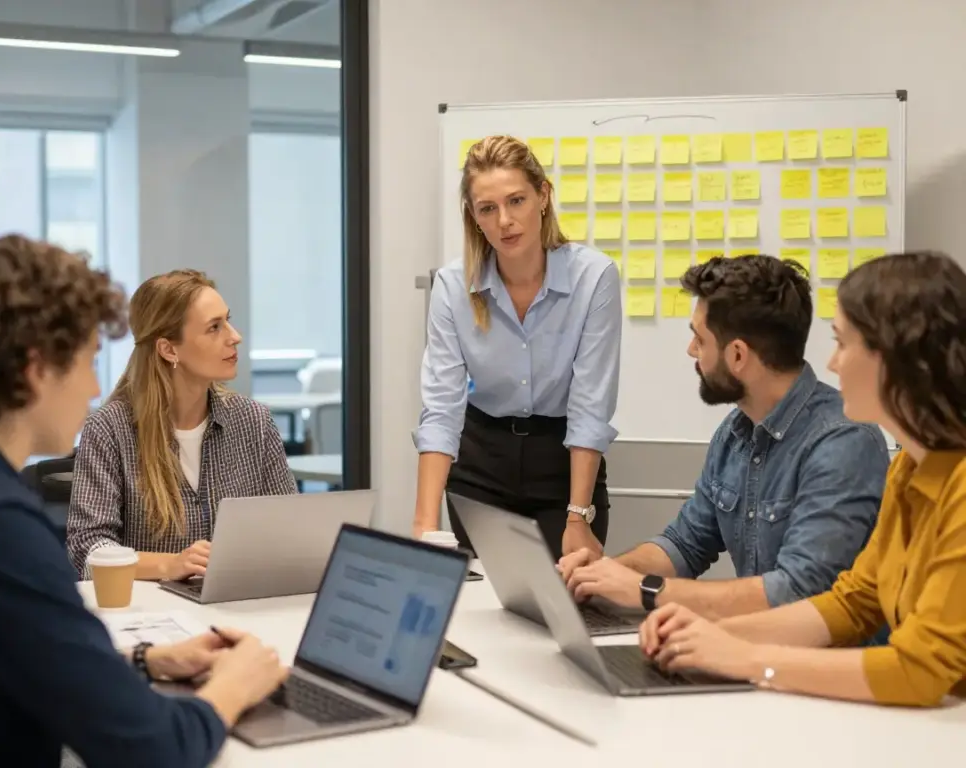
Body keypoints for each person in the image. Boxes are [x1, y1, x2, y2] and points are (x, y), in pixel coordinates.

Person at [0, 235, 288, 767]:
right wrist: (233, 688)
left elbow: (26, 657)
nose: (93, 386)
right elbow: (152, 748)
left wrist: (146, 661)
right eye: (87, 362)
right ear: (38, 370)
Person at [639, 251, 966, 707]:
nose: (831, 363)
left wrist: (746, 658)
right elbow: (853, 602)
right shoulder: (910, 468)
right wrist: (707, 634)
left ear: (896, 359)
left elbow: (918, 669)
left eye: (844, 343)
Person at [560, 255, 889, 620]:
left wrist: (644, 590)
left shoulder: (843, 443)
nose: (691, 351)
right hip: (759, 651)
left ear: (737, 355)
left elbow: (798, 592)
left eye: (699, 339)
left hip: (823, 667)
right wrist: (600, 576)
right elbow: (684, 545)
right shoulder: (735, 433)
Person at [413, 134, 622, 559]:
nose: (505, 220)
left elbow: (590, 405)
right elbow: (442, 407)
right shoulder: (454, 287)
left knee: (561, 604)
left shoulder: (594, 278)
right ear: (474, 216)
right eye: (488, 208)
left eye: (517, 201)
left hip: (562, 467)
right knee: (478, 608)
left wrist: (578, 516)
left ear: (543, 196)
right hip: (481, 466)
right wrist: (424, 525)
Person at [67, 269, 297, 581]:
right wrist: (170, 565)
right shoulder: (110, 429)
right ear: (169, 349)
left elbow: (288, 530)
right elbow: (88, 550)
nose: (235, 336)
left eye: (227, 320)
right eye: (214, 327)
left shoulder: (253, 421)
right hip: (149, 618)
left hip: (239, 605)